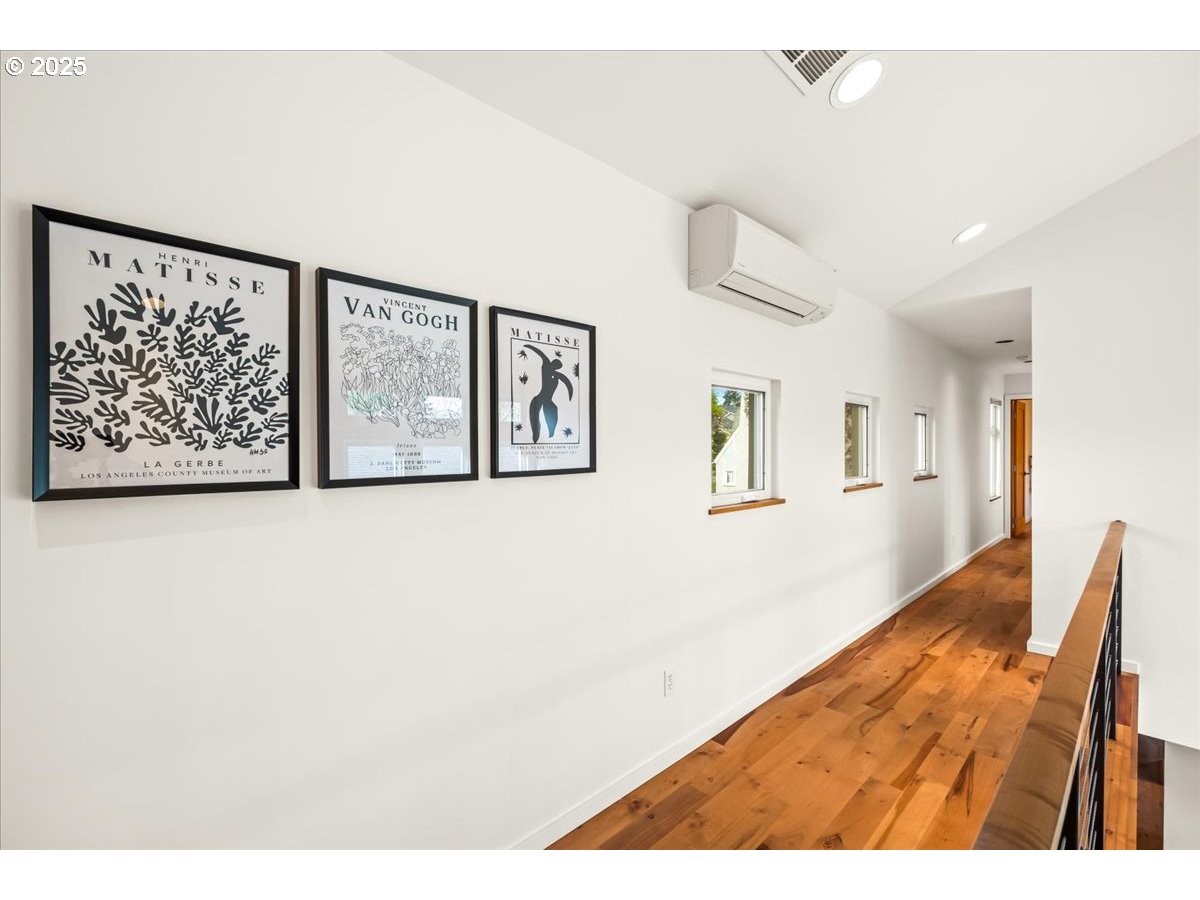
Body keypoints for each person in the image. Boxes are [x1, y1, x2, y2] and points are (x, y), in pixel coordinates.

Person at [523, 344, 573, 442]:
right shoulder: (546, 365)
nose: (556, 367)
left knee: (551, 421)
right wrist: (529, 346)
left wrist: (570, 394)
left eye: (558, 367)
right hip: (540, 398)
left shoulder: (556, 374)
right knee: (535, 420)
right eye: (556, 365)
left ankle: (549, 435)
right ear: (553, 363)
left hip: (548, 401)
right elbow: (541, 353)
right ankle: (536, 436)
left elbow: (568, 383)